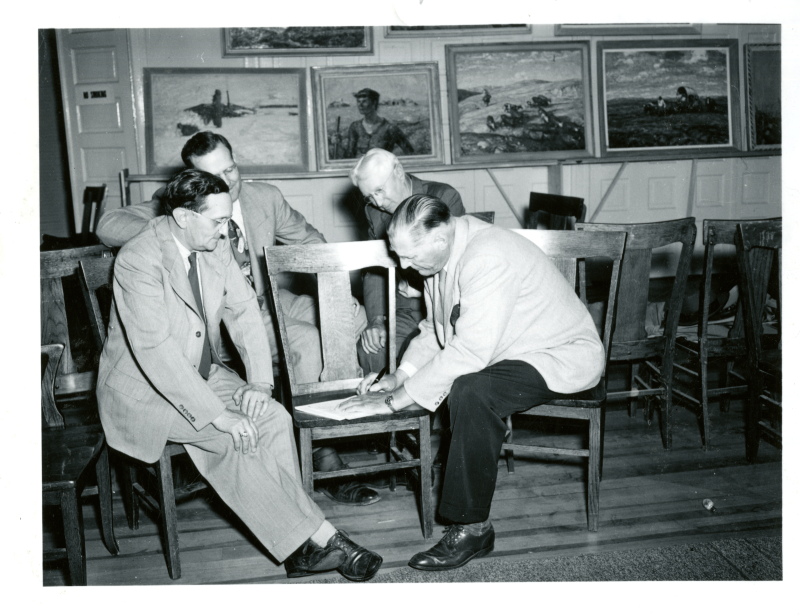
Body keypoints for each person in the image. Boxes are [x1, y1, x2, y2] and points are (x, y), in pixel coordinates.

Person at [97, 168, 382, 581]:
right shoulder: (138, 260)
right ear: (182, 216)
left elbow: (245, 310)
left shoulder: (212, 243)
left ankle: (300, 546)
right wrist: (217, 413)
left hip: (203, 373)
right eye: (216, 221)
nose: (225, 229)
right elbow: (155, 352)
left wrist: (261, 384)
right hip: (147, 389)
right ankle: (324, 537)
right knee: (235, 436)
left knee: (274, 418)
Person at [338, 195, 605, 572]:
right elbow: (436, 329)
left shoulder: (486, 255)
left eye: (409, 256)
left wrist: (392, 402)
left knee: (472, 390)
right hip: (517, 350)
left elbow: (469, 353)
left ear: (440, 238)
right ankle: (471, 520)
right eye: (399, 255)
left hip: (561, 355)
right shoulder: (440, 259)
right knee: (469, 384)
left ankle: (473, 527)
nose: (403, 266)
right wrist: (400, 376)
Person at [350, 148, 465, 375]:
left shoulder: (444, 197)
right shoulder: (374, 211)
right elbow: (375, 270)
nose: (378, 201)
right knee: (372, 349)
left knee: (429, 359)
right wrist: (376, 320)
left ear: (399, 171)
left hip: (447, 313)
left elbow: (460, 267)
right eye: (370, 196)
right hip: (405, 311)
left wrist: (423, 291)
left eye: (380, 190)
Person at [335, 88, 415, 159]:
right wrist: (339, 144)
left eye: (364, 101)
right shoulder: (355, 127)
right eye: (358, 102)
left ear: (374, 103)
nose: (360, 105)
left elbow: (411, 153)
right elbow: (349, 156)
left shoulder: (390, 128)